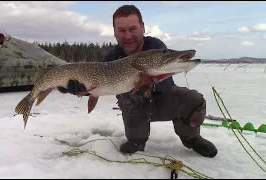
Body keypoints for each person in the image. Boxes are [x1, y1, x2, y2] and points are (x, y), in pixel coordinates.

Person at [58, 5, 218, 158]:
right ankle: (136, 140)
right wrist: (75, 88)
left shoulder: (155, 47)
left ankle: (191, 138)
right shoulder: (110, 58)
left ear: (142, 27)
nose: (127, 36)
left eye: (133, 29)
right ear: (114, 32)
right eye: (121, 30)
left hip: (163, 101)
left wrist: (148, 79)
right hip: (135, 108)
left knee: (193, 99)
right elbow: (99, 86)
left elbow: (165, 84)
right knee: (131, 96)